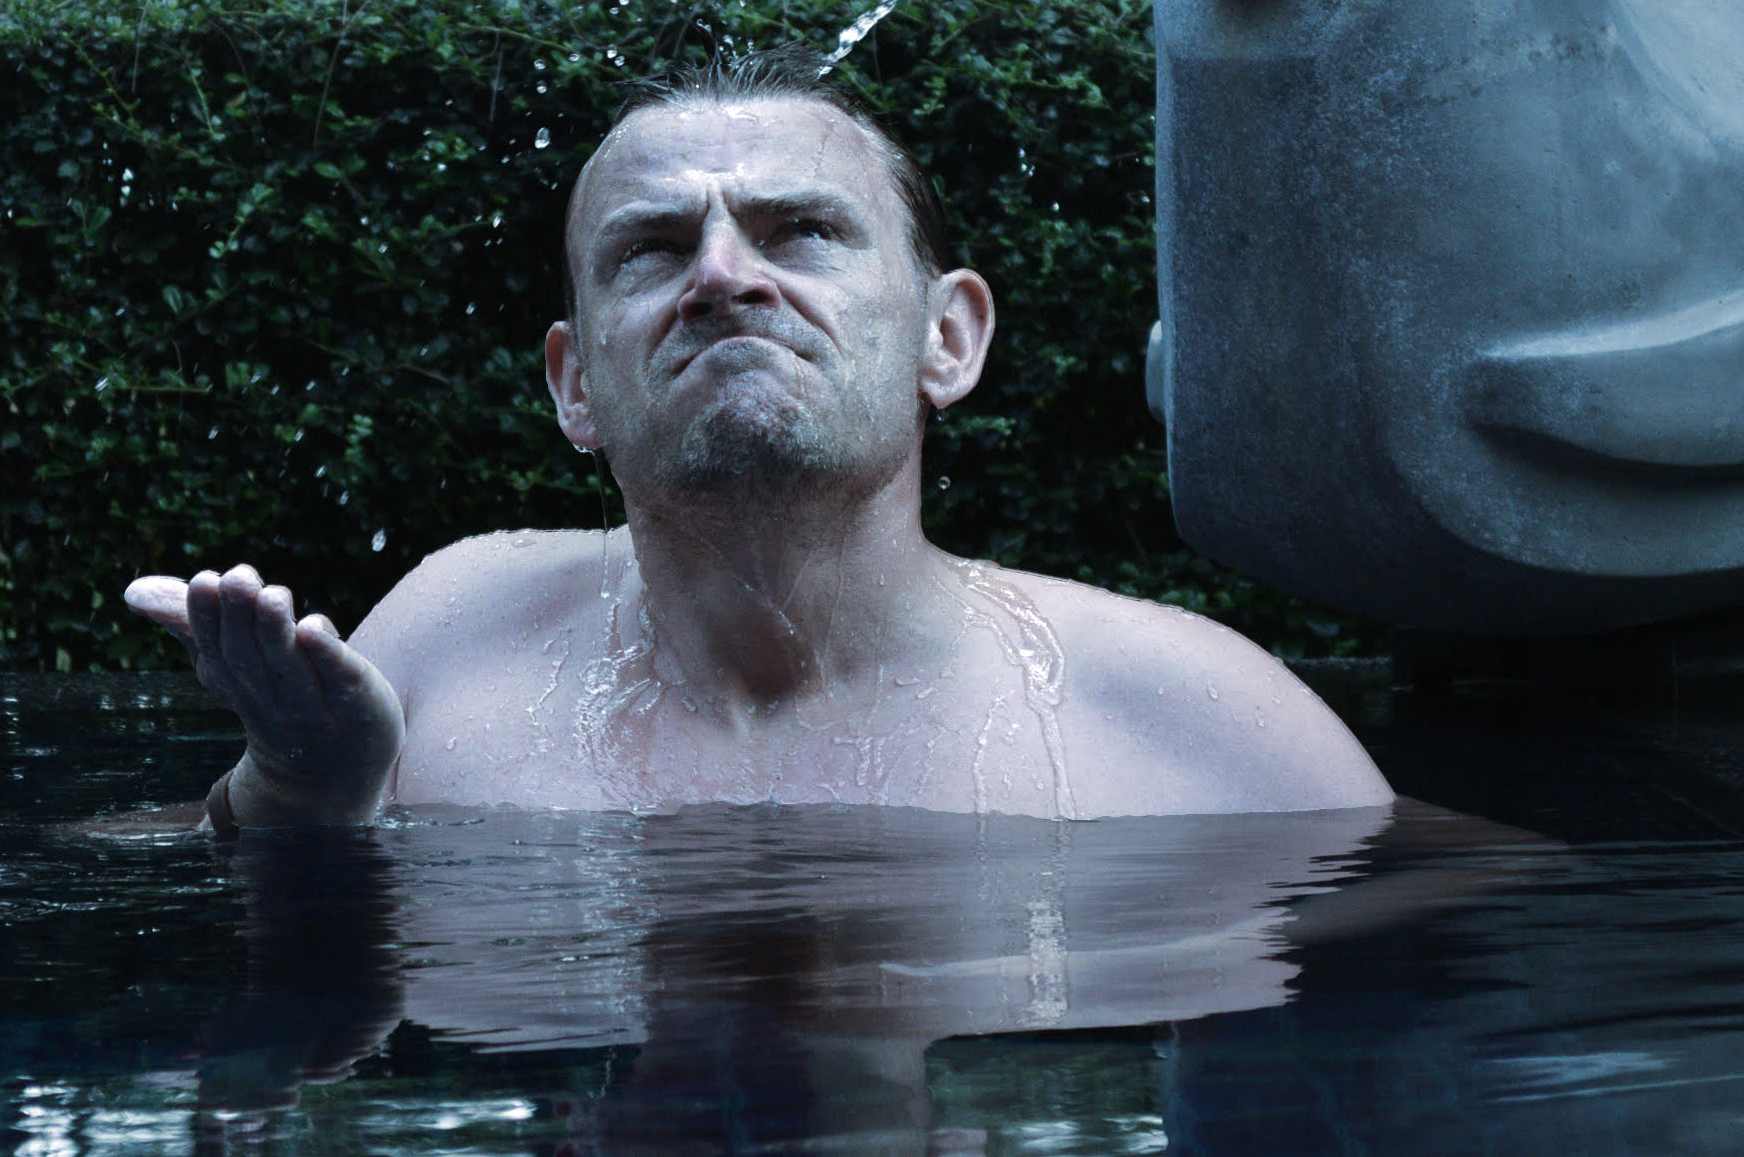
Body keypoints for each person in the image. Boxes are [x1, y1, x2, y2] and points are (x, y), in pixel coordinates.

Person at [126, 48, 1390, 827]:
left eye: (802, 232)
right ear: (574, 386)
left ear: (948, 339)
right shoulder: (449, 640)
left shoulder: (1192, 716)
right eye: (652, 247)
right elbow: (157, 862)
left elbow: (1424, 917)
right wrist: (285, 799)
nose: (724, 277)